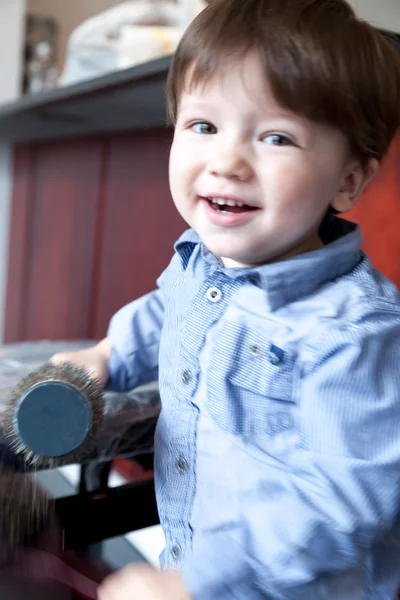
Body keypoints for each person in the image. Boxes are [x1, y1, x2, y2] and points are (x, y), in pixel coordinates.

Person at [52, 0, 400, 598]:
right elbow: (166, 311)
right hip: (190, 555)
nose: (228, 161)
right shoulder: (200, 260)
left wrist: (192, 581)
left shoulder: (355, 331)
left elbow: (339, 503)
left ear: (347, 180)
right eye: (204, 126)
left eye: (275, 136)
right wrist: (107, 355)